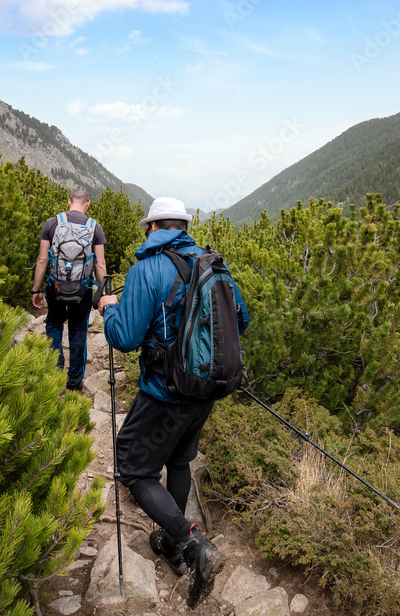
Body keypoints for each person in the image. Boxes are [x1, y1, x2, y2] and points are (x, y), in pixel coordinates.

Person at [97, 196, 249, 608]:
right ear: (182, 226)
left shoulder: (147, 269)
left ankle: (191, 542)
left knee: (134, 468)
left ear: (152, 228)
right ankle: (171, 544)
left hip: (163, 394)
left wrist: (108, 308)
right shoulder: (215, 264)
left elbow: (124, 338)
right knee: (179, 461)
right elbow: (243, 319)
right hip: (204, 391)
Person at [32, 189, 107, 391]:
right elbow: (99, 266)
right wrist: (104, 293)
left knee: (54, 325)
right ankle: (74, 383)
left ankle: (54, 376)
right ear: (88, 204)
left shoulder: (52, 223)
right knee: (78, 330)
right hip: (82, 290)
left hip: (55, 287)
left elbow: (42, 260)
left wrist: (36, 290)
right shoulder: (95, 227)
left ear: (69, 202)